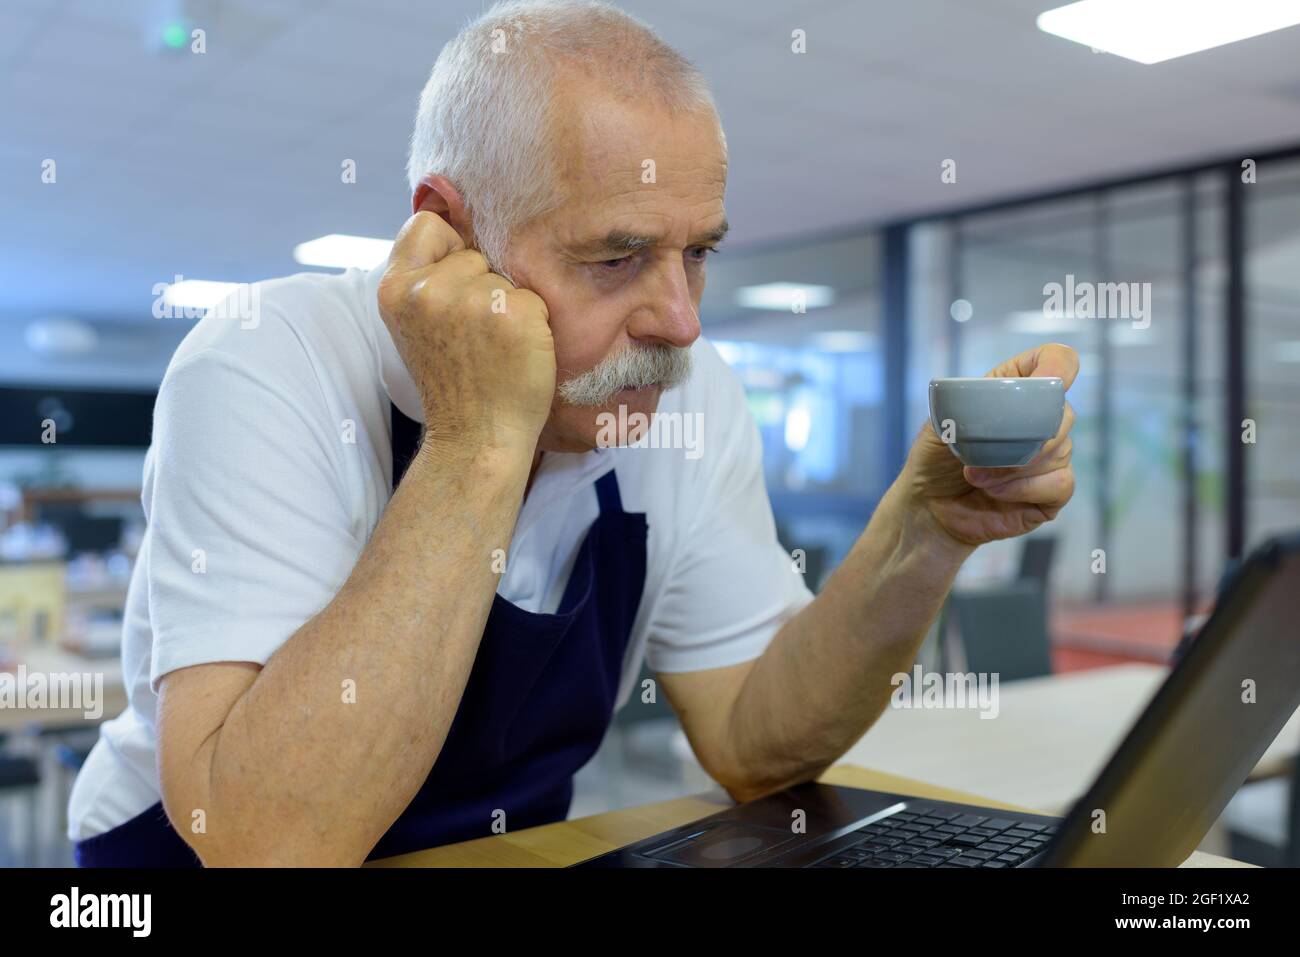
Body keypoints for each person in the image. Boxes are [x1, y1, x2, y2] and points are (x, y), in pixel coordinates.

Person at [68, 0, 1077, 866]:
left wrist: (921, 533)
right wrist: (477, 440)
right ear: (450, 235)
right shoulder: (267, 361)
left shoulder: (689, 396)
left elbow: (754, 746)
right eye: (615, 259)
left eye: (697, 255)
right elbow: (261, 844)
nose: (679, 321)